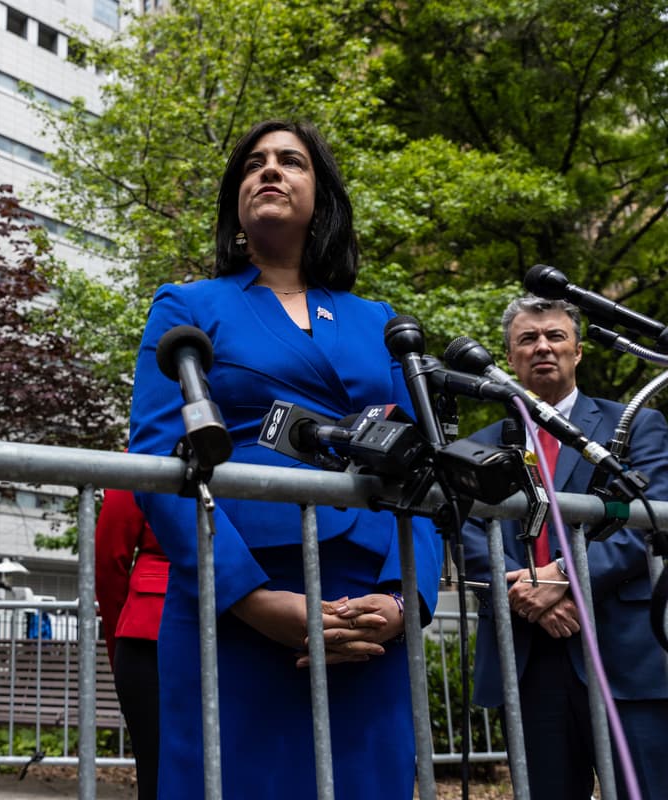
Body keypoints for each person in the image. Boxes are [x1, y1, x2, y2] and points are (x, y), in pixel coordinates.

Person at [127, 119, 444, 800]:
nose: (269, 171)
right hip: (237, 596)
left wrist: (404, 599)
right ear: (235, 203)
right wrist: (250, 599)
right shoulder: (188, 307)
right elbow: (155, 460)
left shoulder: (377, 320)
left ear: (321, 198)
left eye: (291, 162)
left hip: (366, 608)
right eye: (253, 165)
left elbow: (424, 470)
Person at [461, 295, 668, 800]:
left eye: (555, 336)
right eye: (527, 339)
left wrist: (559, 578)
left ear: (578, 351)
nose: (543, 348)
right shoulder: (479, 445)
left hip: (623, 652)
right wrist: (529, 598)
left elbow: (651, 518)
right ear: (508, 358)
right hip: (529, 660)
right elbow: (468, 536)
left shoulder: (634, 425)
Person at [95, 486, 168, 800]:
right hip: (149, 633)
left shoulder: (147, 449)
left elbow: (109, 561)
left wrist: (119, 637)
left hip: (145, 630)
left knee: (156, 773)